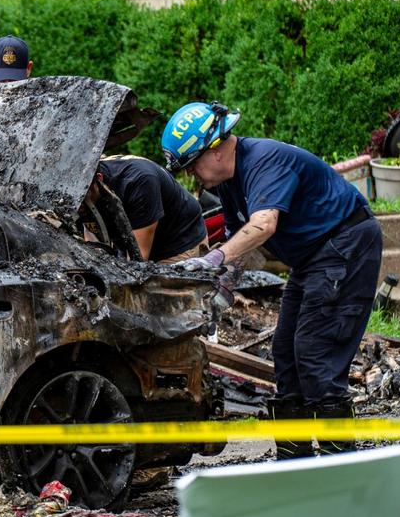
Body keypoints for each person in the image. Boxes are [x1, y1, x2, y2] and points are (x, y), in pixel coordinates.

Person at [162, 101, 382, 459]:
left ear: (215, 149)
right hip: (312, 257)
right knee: (285, 351)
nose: (192, 176)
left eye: (192, 165)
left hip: (345, 243)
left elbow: (264, 224)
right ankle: (293, 459)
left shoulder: (265, 160)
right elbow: (245, 244)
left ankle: (340, 460)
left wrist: (212, 258)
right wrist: (217, 293)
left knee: (316, 350)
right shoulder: (230, 184)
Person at [84, 155, 207, 263]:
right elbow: (90, 238)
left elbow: (139, 258)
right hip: (130, 242)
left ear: (98, 180)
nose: (78, 207)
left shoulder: (138, 181)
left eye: (83, 199)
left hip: (179, 242)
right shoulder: (78, 187)